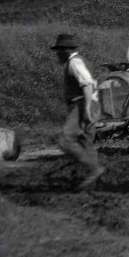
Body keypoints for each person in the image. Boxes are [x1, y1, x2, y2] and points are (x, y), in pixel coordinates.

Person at [51, 33, 105, 190]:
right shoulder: (78, 61)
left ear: (65, 50)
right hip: (89, 104)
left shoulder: (74, 62)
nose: (57, 55)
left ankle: (94, 169)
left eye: (58, 51)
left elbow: (87, 84)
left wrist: (87, 109)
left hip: (81, 105)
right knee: (85, 143)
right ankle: (95, 182)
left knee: (65, 141)